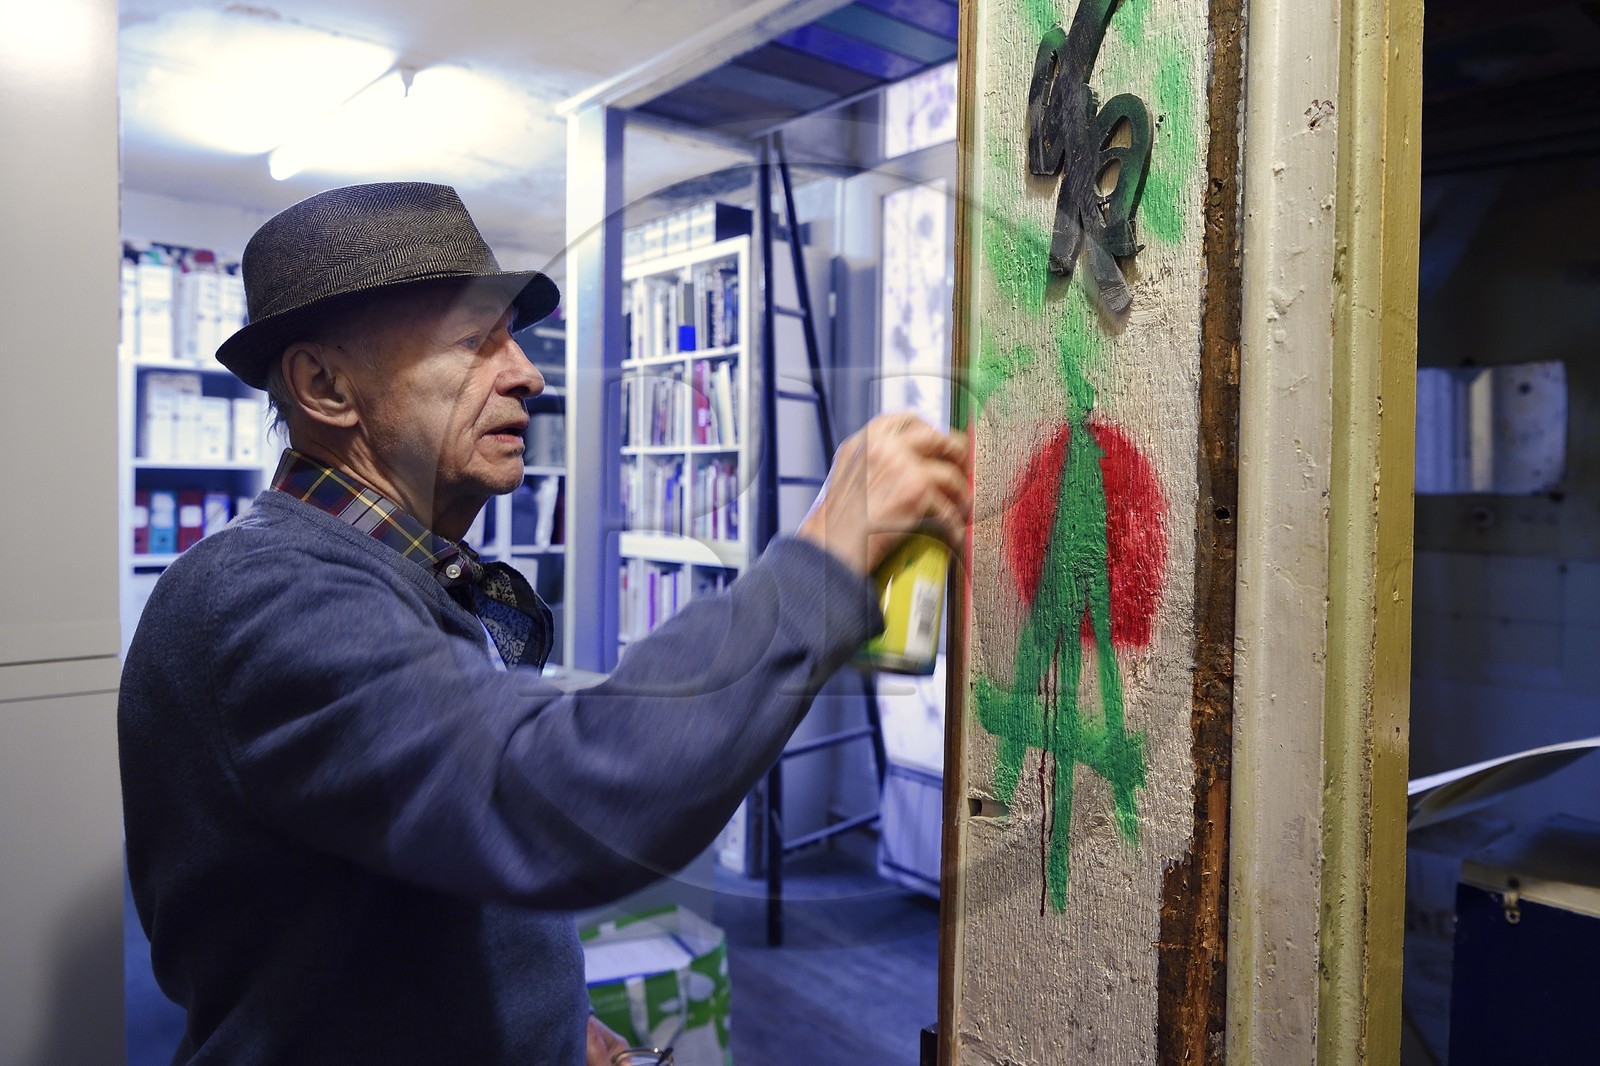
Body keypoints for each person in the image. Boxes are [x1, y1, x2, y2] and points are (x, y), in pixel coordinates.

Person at [118, 182, 971, 1065]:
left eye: (512, 338)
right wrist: (825, 556)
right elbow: (550, 800)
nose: (527, 371)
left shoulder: (396, 576)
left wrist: (552, 1027)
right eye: (474, 341)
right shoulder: (258, 595)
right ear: (326, 385)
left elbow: (408, 901)